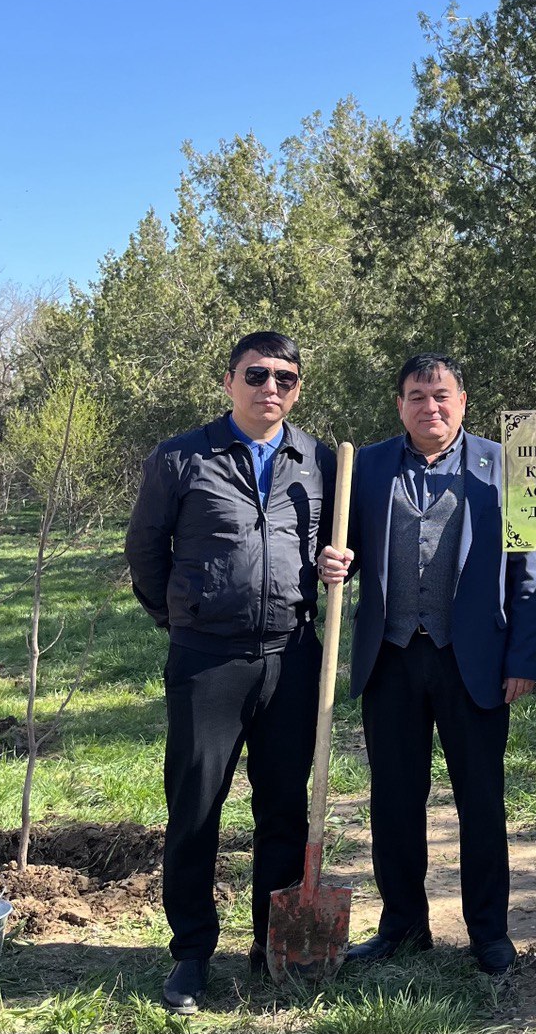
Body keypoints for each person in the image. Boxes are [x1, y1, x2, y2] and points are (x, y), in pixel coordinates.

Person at [125, 331, 334, 1014]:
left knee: (284, 806)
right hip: (207, 660)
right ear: (229, 382)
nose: (270, 387)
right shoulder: (182, 457)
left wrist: (341, 563)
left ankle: (273, 944)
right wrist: (179, 617)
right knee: (195, 806)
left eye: (285, 378)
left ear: (297, 388)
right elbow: (145, 549)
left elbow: (337, 548)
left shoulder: (321, 461)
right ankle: (191, 954)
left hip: (291, 656)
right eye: (256, 374)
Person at [317, 353, 536, 976]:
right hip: (389, 659)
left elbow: (528, 573)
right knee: (393, 800)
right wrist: (332, 563)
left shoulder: (503, 465)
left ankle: (489, 932)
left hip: (474, 662)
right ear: (400, 405)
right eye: (417, 396)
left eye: (441, 395)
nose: (430, 407)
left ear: (462, 401)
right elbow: (340, 550)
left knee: (481, 801)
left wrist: (522, 659)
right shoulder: (364, 467)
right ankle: (403, 926)